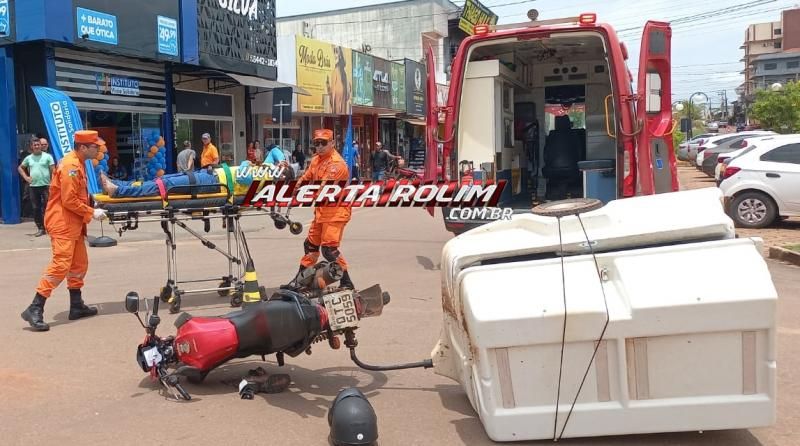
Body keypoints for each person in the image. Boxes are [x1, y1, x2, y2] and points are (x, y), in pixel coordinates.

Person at [21, 130, 109, 332]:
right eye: (95, 146)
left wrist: (91, 204)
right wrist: (91, 212)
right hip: (62, 223)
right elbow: (69, 200)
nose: (99, 149)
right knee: (61, 265)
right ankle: (35, 307)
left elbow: (76, 194)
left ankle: (76, 305)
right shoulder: (71, 166)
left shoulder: (78, 162)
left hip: (73, 222)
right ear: (83, 147)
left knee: (79, 264)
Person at [283, 129, 354, 290]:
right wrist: (291, 189)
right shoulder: (316, 160)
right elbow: (305, 178)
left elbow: (323, 189)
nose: (320, 146)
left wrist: (302, 195)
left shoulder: (336, 164)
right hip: (322, 211)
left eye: (323, 143)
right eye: (317, 143)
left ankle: (347, 282)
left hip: (336, 212)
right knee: (310, 245)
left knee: (329, 250)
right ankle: (300, 282)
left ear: (332, 143)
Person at [18, 137, 55, 237]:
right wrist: (26, 177)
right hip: (33, 186)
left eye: (38, 144)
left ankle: (50, 227)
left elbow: (53, 170)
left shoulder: (48, 157)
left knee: (49, 207)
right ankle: (41, 228)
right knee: (36, 208)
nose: (37, 146)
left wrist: (53, 182)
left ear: (41, 146)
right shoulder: (28, 158)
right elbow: (20, 168)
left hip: (46, 186)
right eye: (35, 145)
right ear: (32, 147)